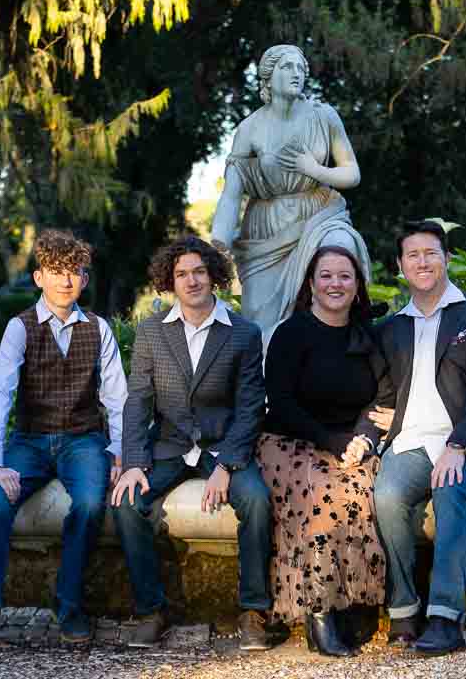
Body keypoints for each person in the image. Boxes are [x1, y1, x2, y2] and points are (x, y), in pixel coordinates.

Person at [0, 230, 127, 649]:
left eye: (74, 272)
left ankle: (69, 606)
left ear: (84, 279)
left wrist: (120, 452)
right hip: (29, 441)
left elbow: (118, 398)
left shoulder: (99, 330)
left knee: (88, 504)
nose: (66, 281)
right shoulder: (19, 328)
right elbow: (0, 393)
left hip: (83, 440)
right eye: (56, 271)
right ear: (38, 277)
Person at [111, 236, 274, 649]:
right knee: (127, 503)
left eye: (199, 271)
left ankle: (254, 610)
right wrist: (132, 461)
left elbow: (251, 406)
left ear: (214, 275)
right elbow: (138, 402)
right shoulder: (150, 332)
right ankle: (152, 610)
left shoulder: (243, 333)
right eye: (181, 273)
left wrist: (227, 465)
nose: (191, 280)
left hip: (222, 446)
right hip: (168, 445)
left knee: (255, 499)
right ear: (170, 280)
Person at [368, 219, 466, 656]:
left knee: (450, 491)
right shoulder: (391, 327)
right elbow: (383, 388)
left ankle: (446, 618)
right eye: (412, 255)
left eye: (430, 253)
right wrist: (378, 419)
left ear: (447, 258)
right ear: (400, 266)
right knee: (388, 495)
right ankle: (403, 610)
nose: (422, 262)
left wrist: (458, 445)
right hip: (412, 442)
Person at [257, 245, 388, 657]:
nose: (336, 284)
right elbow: (281, 403)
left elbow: (383, 396)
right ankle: (319, 613)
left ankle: (354, 602)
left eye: (345, 276)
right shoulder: (291, 333)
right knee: (323, 495)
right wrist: (333, 444)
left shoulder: (368, 334)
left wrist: (364, 438)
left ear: (357, 285)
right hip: (290, 440)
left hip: (350, 442)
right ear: (311, 284)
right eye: (326, 276)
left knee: (361, 491)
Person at [210, 44, 373, 338]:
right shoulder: (250, 128)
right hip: (268, 224)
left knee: (341, 248)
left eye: (300, 68)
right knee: (261, 325)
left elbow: (352, 172)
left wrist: (315, 170)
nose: (296, 73)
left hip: (320, 211)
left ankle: (345, 338)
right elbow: (233, 191)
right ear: (268, 78)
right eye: (287, 67)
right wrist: (219, 240)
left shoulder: (324, 117)